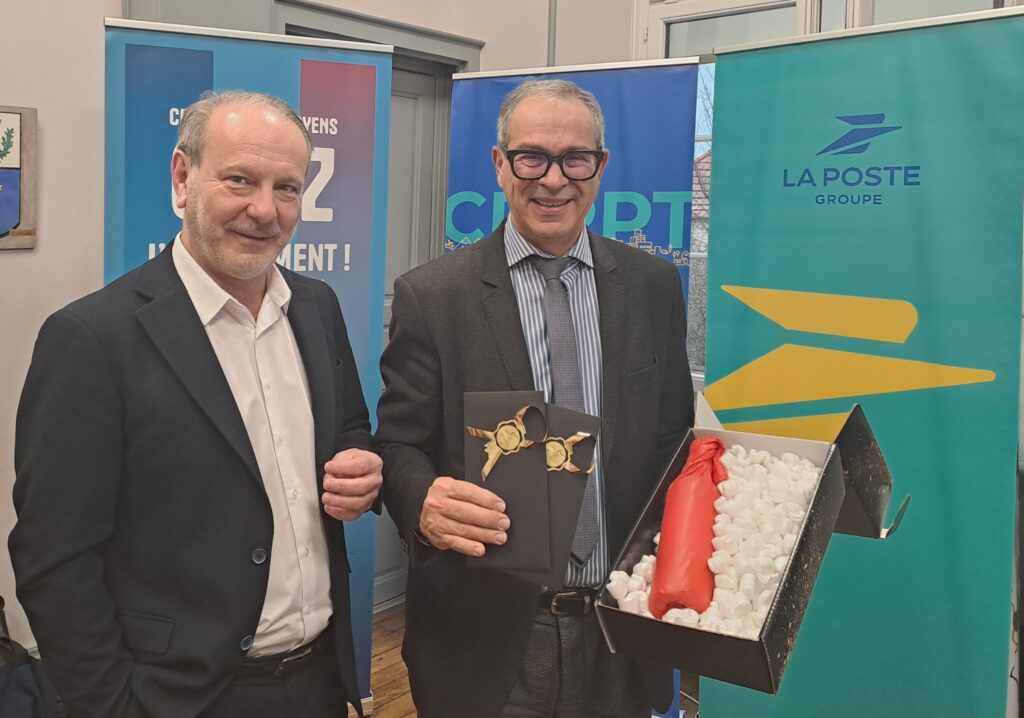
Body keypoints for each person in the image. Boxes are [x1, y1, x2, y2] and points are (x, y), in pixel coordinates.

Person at [9, 90, 382, 718]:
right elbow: (54, 558)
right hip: (178, 697)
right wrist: (112, 707)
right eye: (240, 180)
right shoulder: (92, 338)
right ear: (183, 178)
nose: (264, 210)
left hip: (319, 678)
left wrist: (359, 463)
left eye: (287, 188)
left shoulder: (317, 306)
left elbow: (349, 425)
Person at [376, 79, 695, 718]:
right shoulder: (433, 296)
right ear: (500, 164)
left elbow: (672, 441)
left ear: (600, 166)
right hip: (484, 638)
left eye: (575, 158)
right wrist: (422, 500)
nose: (553, 180)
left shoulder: (653, 286)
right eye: (531, 158)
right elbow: (398, 445)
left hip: (621, 629)